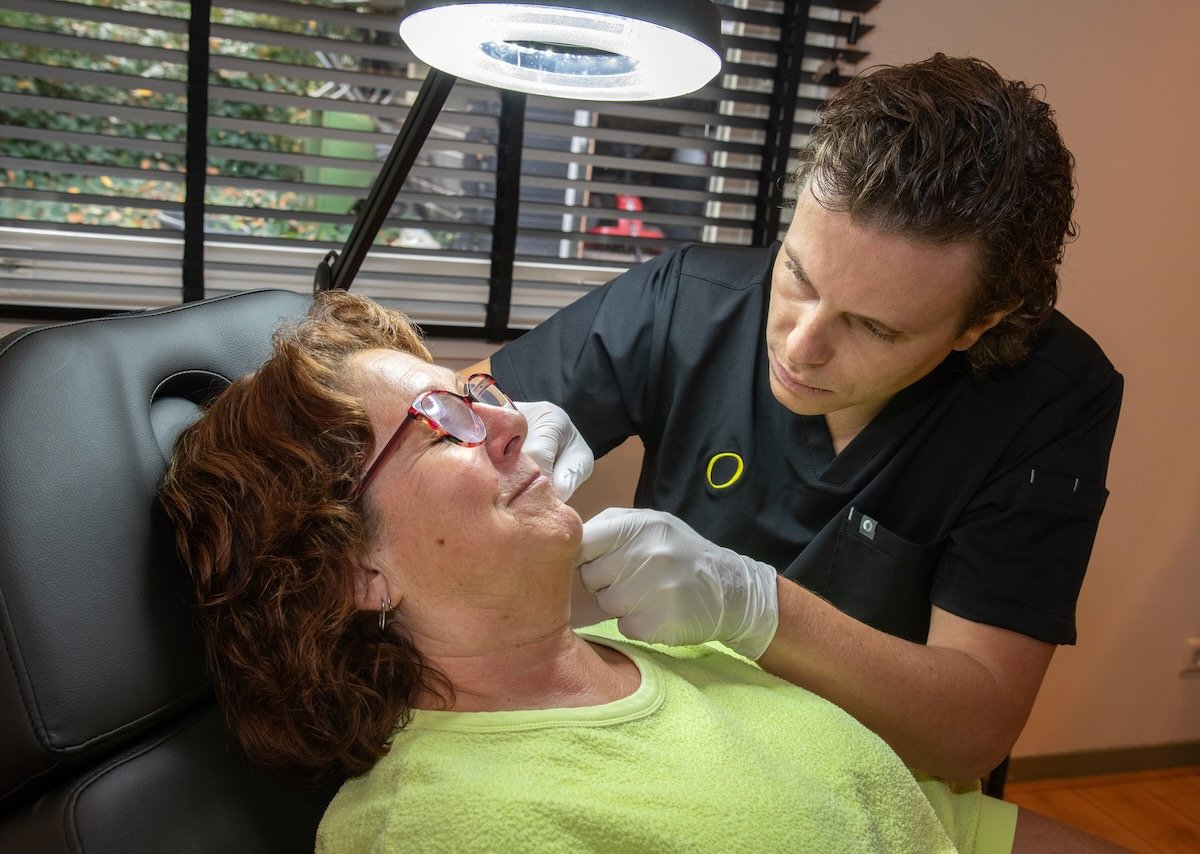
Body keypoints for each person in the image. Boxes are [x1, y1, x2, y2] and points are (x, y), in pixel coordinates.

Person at [158, 291, 1121, 852]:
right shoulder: (435, 825)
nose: (511, 420)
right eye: (443, 423)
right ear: (351, 570)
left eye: (478, 391)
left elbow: (935, 821)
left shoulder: (669, 646)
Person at [478, 53, 1124, 806]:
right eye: (796, 275)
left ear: (979, 324)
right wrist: (488, 421)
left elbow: (974, 731)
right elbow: (450, 410)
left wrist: (756, 606)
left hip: (867, 788)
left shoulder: (1047, 400)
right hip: (662, 747)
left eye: (875, 327)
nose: (799, 344)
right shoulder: (690, 301)